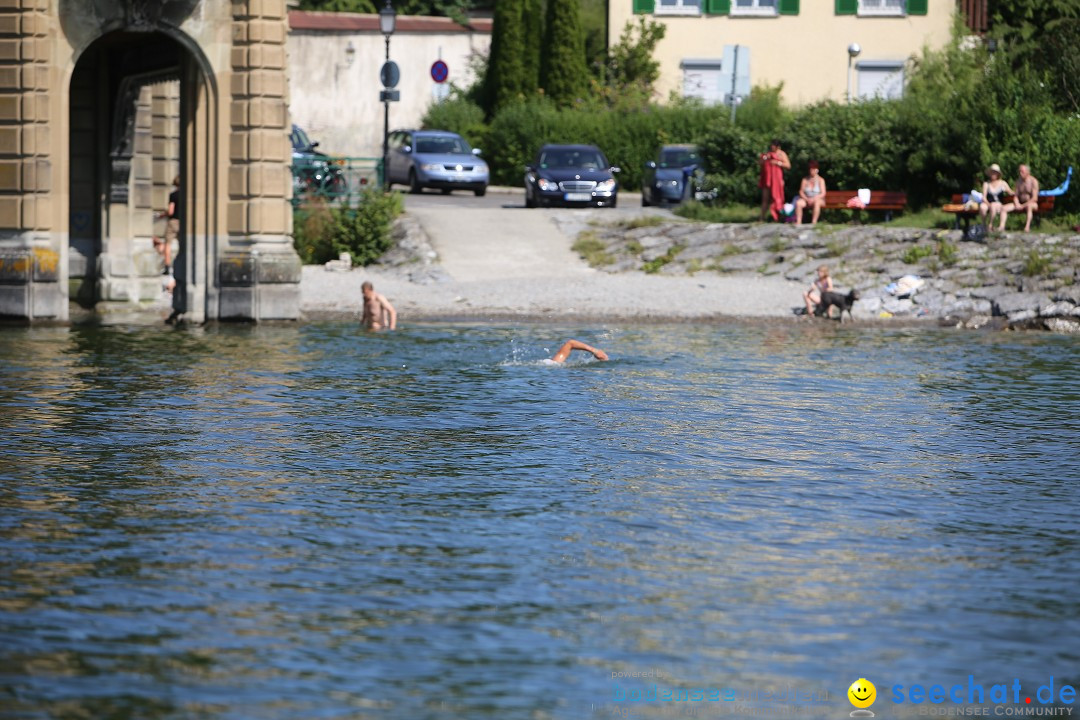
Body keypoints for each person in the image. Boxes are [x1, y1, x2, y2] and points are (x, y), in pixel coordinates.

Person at [999, 164, 1040, 232]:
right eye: (1019, 171)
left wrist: (1023, 205)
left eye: (1022, 171)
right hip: (1020, 203)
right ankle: (1001, 226)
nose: (1020, 173)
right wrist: (1017, 203)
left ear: (1027, 172)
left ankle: (1027, 227)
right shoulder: (1018, 181)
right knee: (1004, 208)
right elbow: (1016, 195)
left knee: (1029, 206)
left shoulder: (1033, 181)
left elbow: (1034, 198)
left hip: (1032, 204)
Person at [758, 139, 790, 222]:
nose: (772, 147)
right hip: (768, 179)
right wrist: (765, 158)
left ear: (778, 146)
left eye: (774, 146)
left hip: (777, 179)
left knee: (777, 198)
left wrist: (777, 162)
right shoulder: (768, 154)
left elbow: (788, 165)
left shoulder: (781, 154)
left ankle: (778, 217)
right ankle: (762, 217)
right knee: (765, 198)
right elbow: (760, 163)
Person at [153, 176, 179, 275]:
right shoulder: (187, 195)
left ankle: (167, 266)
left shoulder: (173, 195)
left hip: (173, 222)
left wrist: (162, 215)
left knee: (168, 244)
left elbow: (171, 211)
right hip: (184, 222)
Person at [979, 163, 1012, 232]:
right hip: (988, 202)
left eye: (994, 172)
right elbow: (984, 197)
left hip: (998, 203)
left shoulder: (1003, 183)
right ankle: (983, 224)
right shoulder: (986, 184)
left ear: (998, 174)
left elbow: (1010, 192)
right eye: (992, 172)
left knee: (994, 205)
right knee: (982, 207)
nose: (993, 174)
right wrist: (988, 204)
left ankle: (990, 224)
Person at [794, 161, 827, 226]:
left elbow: (823, 193)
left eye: (813, 169)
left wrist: (814, 198)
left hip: (818, 199)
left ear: (817, 170)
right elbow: (801, 191)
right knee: (798, 203)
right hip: (807, 199)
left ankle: (814, 222)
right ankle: (798, 221)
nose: (811, 170)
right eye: (810, 169)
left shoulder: (821, 180)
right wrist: (806, 199)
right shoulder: (805, 180)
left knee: (817, 202)